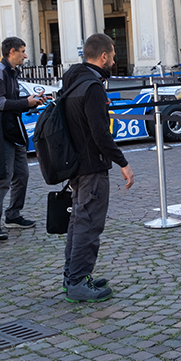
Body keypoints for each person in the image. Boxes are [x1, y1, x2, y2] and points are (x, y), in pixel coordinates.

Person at [60, 32, 135, 303]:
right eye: (113, 55)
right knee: (88, 224)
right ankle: (78, 281)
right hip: (91, 166)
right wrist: (123, 163)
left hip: (77, 165)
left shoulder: (73, 81)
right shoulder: (91, 87)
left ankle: (73, 276)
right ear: (103, 56)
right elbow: (101, 133)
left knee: (78, 222)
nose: (114, 60)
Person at [0, 36, 49, 241]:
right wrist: (26, 103)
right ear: (11, 52)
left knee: (22, 175)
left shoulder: (13, 72)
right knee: (3, 177)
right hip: (0, 132)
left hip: (13, 130)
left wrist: (31, 102)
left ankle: (13, 215)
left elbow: (12, 101)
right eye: (22, 51)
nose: (25, 55)